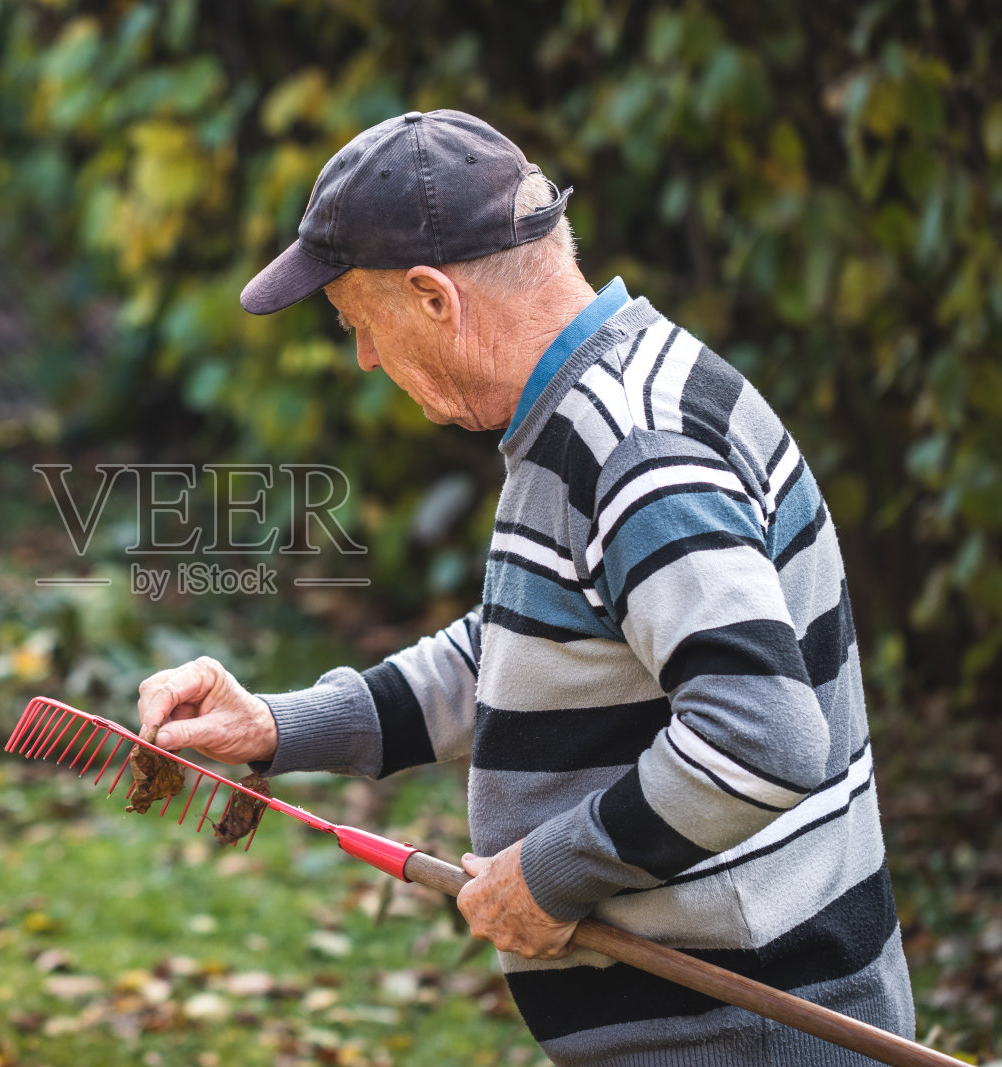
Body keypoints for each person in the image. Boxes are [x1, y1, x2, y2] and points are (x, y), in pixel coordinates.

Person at [135, 110, 916, 1065]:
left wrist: (550, 874)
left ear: (432, 296)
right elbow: (532, 647)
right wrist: (280, 725)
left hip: (751, 1028)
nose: (366, 359)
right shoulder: (603, 395)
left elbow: (761, 735)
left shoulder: (631, 447)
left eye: (357, 322)